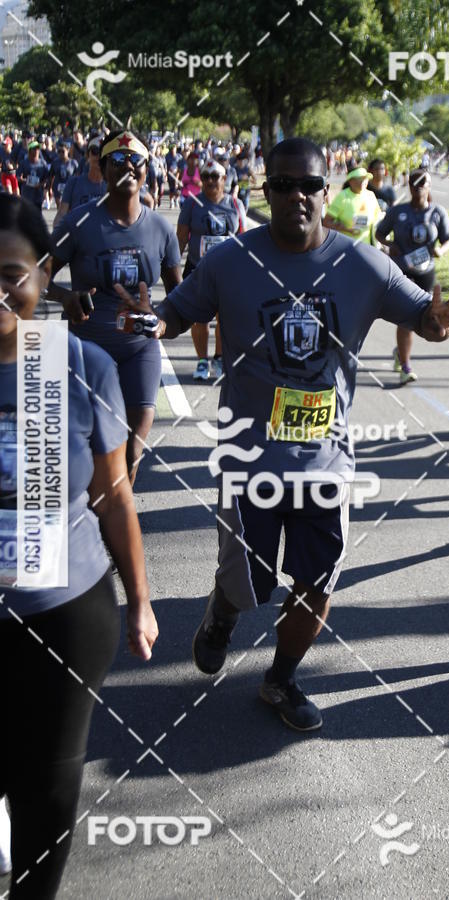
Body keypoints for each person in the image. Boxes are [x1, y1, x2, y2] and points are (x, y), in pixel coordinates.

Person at [114, 137, 449, 732]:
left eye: (308, 185)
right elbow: (180, 310)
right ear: (266, 190)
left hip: (325, 461)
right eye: (283, 185)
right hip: (248, 456)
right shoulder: (231, 260)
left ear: (327, 192)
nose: (296, 196)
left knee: (316, 583)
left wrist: (436, 324)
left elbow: (423, 316)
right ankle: (223, 612)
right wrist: (157, 321)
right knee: (247, 581)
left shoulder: (364, 264)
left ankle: (280, 678)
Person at [0, 193, 158, 900]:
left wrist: (141, 602)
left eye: (11, 274)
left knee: (46, 793)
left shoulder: (73, 364)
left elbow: (113, 496)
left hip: (62, 616)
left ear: (44, 273)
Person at [48, 130, 181, 483]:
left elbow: (179, 297)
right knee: (90, 449)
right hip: (87, 349)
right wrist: (64, 297)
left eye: (136, 159)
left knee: (132, 450)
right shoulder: (78, 222)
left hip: (139, 350)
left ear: (147, 168)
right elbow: (34, 277)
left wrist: (161, 319)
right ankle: (92, 509)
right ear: (103, 167)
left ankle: (118, 505)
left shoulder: (160, 229)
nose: (128, 166)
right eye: (118, 160)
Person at [375, 168, 449, 385]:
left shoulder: (437, 212)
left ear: (429, 186)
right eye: (414, 183)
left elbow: (448, 240)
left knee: (425, 319)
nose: (418, 187)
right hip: (402, 271)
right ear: (408, 186)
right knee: (407, 317)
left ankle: (400, 353)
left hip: (426, 272)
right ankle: (406, 366)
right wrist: (390, 245)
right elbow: (379, 233)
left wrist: (441, 250)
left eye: (422, 183)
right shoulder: (397, 212)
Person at [176, 158, 246, 381]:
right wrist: (173, 268)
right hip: (198, 270)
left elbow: (245, 241)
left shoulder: (235, 204)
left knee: (224, 318)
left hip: (228, 272)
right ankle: (202, 361)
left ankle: (218, 357)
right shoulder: (192, 203)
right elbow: (181, 238)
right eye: (205, 177)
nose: (210, 181)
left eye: (215, 176)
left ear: (224, 179)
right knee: (200, 319)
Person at [53, 136, 105, 226]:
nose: (98, 157)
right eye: (95, 151)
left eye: (103, 153)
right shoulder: (73, 183)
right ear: (88, 156)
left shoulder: (113, 186)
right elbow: (61, 214)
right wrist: (57, 231)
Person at [322, 166, 382, 244]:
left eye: (365, 178)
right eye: (360, 178)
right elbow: (326, 223)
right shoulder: (342, 197)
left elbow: (378, 217)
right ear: (351, 180)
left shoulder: (370, 195)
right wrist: (346, 229)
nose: (363, 181)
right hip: (346, 246)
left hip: (367, 246)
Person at [16, 141, 50, 211]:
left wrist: (40, 184)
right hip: (26, 195)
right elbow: (18, 176)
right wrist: (23, 180)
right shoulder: (23, 163)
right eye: (35, 148)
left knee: (37, 215)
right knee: (26, 215)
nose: (37, 150)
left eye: (38, 148)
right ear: (30, 150)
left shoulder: (43, 163)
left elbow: (47, 179)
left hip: (38, 196)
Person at [48, 142, 77, 211]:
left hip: (69, 189)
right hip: (57, 189)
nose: (61, 153)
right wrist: (50, 188)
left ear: (68, 150)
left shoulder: (73, 163)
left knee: (68, 209)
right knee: (60, 209)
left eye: (63, 151)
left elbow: (78, 177)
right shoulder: (55, 162)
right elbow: (51, 176)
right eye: (59, 151)